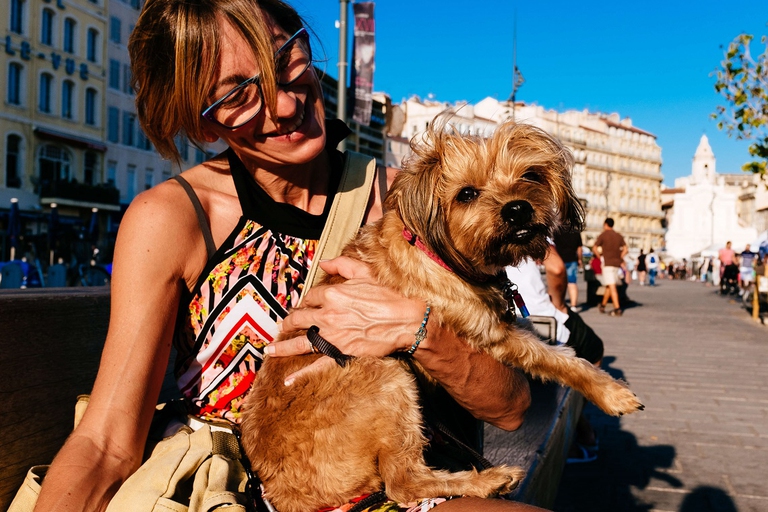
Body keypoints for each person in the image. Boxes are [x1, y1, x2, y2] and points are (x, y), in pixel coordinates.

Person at [30, 1, 541, 511]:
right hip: (233, 496)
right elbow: (106, 441)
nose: (285, 104)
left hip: (396, 492)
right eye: (235, 95)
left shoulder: (410, 201)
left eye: (286, 59)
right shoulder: (175, 218)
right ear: (203, 124)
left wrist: (422, 330)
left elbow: (513, 405)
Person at [506, 246, 604, 464]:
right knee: (594, 351)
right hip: (541, 319)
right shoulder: (534, 222)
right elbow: (557, 268)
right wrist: (558, 303)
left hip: (499, 319)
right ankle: (575, 431)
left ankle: (580, 425)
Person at [593, 218, 628, 316]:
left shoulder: (603, 235)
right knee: (609, 285)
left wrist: (600, 257)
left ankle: (617, 308)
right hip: (616, 264)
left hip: (608, 263)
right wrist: (620, 256)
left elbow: (594, 248)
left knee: (611, 285)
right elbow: (625, 249)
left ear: (605, 224)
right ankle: (603, 305)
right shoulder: (618, 236)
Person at [552, 226, 583, 312]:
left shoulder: (557, 231)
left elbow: (552, 246)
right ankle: (573, 306)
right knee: (572, 283)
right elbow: (579, 248)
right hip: (572, 260)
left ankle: (558, 304)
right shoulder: (576, 232)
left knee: (558, 283)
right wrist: (580, 259)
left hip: (559, 260)